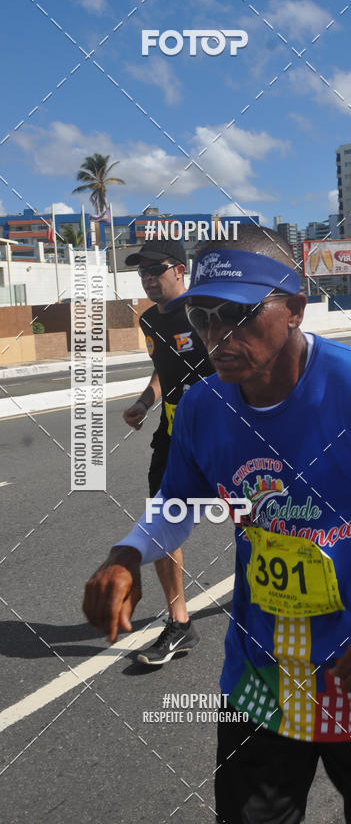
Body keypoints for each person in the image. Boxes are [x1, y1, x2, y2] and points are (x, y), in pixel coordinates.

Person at [84, 227, 351, 823]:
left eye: (237, 315)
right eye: (202, 315)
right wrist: (130, 550)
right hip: (261, 676)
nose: (216, 335)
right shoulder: (206, 406)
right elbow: (178, 505)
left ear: (295, 311)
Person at [122, 237, 214, 665]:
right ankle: (180, 623)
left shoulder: (208, 310)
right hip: (175, 434)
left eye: (155, 270)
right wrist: (146, 400)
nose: (148, 279)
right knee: (162, 522)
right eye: (142, 272)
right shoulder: (148, 322)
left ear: (180, 270)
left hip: (227, 431)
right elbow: (163, 369)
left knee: (261, 517)